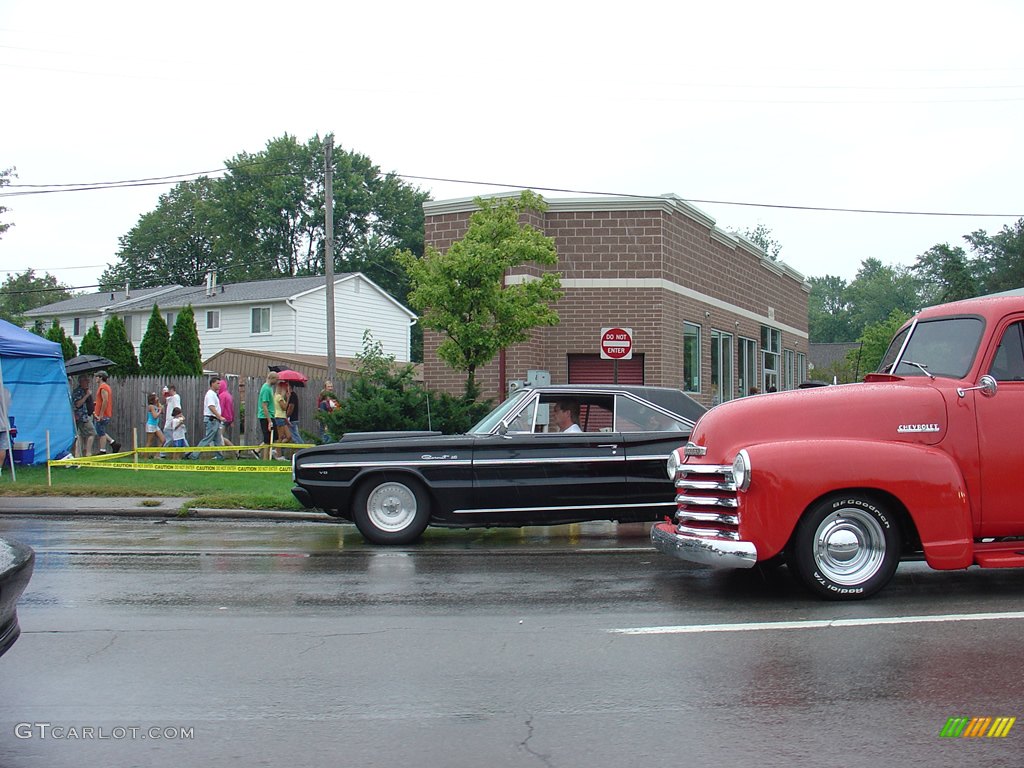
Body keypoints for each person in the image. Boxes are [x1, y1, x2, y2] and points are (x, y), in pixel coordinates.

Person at [188, 376, 225, 460]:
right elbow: (211, 407)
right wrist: (219, 416)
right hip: (212, 420)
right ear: (212, 384)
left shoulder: (214, 394)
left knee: (218, 440)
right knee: (207, 439)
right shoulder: (210, 394)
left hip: (215, 420)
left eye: (220, 383)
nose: (219, 385)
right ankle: (194, 455)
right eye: (217, 383)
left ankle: (220, 456)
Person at [92, 371, 121, 454]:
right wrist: (96, 403)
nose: (96, 378)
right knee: (100, 430)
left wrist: (101, 414)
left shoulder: (103, 387)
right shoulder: (104, 387)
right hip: (102, 413)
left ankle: (102, 450)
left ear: (101, 377)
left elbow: (105, 401)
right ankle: (114, 443)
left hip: (103, 414)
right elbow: (102, 401)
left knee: (101, 432)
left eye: (97, 376)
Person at [71, 373, 96, 457]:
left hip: (87, 415)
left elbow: (89, 404)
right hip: (82, 417)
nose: (88, 383)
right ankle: (88, 453)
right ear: (81, 382)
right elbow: (78, 404)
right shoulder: (78, 391)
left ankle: (78, 454)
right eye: (86, 381)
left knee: (80, 436)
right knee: (92, 432)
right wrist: (87, 395)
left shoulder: (86, 391)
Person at [258, 371, 280, 460]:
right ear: (272, 378)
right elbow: (264, 405)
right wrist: (269, 421)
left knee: (274, 437)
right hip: (265, 416)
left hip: (270, 415)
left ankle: (257, 450)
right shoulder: (266, 389)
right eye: (276, 379)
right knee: (267, 439)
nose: (277, 381)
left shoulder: (269, 388)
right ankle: (265, 458)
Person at [160, 384, 182, 457]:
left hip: (173, 421)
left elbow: (177, 408)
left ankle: (162, 454)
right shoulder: (170, 398)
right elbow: (164, 402)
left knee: (172, 438)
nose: (168, 392)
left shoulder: (176, 397)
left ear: (172, 390)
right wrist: (164, 395)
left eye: (169, 390)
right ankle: (162, 454)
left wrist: (178, 418)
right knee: (170, 438)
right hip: (169, 421)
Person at [273, 381, 293, 458]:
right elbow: (284, 408)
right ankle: (278, 455)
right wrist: (288, 399)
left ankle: (276, 449)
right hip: (279, 418)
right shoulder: (279, 397)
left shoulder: (277, 396)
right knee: (280, 437)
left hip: (282, 418)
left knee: (289, 436)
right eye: (285, 388)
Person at [144, 392, 165, 458]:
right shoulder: (151, 406)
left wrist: (160, 406)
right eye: (156, 397)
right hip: (151, 425)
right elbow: (155, 416)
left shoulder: (156, 405)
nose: (157, 398)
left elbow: (162, 412)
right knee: (149, 442)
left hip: (155, 426)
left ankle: (157, 455)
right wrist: (159, 410)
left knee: (163, 439)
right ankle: (145, 458)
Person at [217, 378, 235, 449]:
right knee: (219, 436)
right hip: (228, 419)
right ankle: (236, 451)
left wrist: (218, 417)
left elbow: (220, 408)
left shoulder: (222, 396)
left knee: (219, 436)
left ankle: (235, 450)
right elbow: (232, 409)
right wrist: (232, 420)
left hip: (223, 419)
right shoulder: (228, 395)